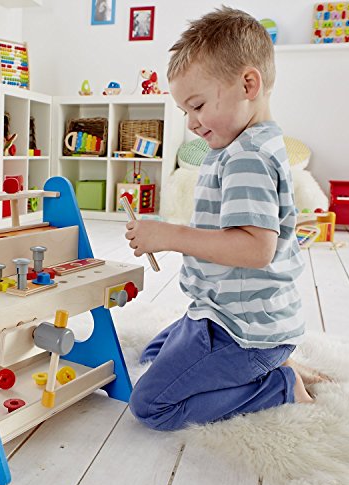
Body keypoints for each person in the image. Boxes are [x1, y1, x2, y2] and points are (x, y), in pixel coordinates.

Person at [125, 7, 330, 432]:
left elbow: (256, 249)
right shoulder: (242, 146)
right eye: (185, 110)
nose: (191, 123)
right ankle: (274, 360)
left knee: (151, 406)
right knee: (152, 354)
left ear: (248, 85)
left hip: (244, 332)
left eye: (197, 106)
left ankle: (278, 384)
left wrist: (170, 235)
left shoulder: (247, 157)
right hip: (229, 314)